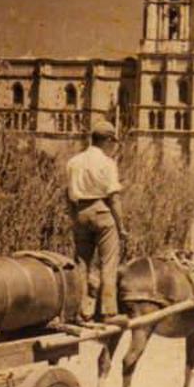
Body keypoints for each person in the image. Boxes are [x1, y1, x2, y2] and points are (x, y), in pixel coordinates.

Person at [66, 120, 128, 324]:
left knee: (81, 262)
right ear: (108, 141)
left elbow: (68, 195)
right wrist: (121, 226)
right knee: (108, 262)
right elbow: (114, 198)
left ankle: (80, 311)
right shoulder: (107, 163)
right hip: (102, 211)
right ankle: (108, 311)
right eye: (114, 142)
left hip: (80, 211)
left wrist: (74, 217)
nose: (114, 147)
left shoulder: (74, 161)